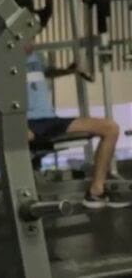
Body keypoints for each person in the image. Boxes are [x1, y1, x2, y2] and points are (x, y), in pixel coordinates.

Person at [25, 43, 129, 209]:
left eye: (33, 37)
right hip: (26, 122)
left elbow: (46, 72)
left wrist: (68, 70)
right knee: (20, 142)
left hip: (51, 120)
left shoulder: (37, 56)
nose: (32, 41)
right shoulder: (2, 59)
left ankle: (96, 192)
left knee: (111, 128)